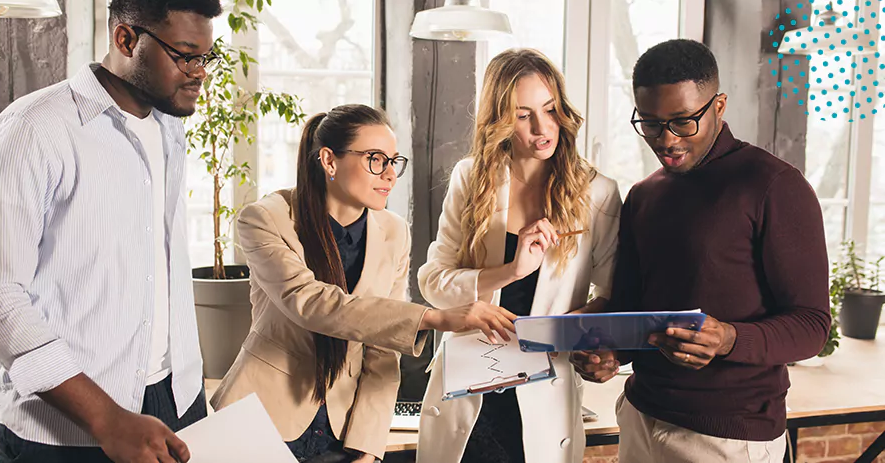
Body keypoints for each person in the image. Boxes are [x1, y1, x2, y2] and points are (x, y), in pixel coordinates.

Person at [0, 0, 225, 462]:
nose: (200, 72)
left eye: (206, 57)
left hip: (174, 402)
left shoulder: (168, 125)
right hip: (65, 430)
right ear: (126, 40)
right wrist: (105, 417)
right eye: (185, 55)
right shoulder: (33, 129)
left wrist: (189, 397)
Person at [209, 104, 517, 463]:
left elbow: (382, 352)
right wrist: (433, 318)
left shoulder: (394, 232)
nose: (389, 174)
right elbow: (310, 303)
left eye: (393, 161)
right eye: (375, 159)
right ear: (329, 161)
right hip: (260, 419)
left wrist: (369, 448)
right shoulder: (266, 218)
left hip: (343, 433)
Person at [577, 39, 831, 463]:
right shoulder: (643, 195)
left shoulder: (774, 186)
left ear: (719, 105)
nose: (667, 140)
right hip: (641, 416)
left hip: (728, 437)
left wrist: (730, 338)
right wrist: (611, 353)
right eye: (652, 124)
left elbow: (812, 326)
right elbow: (635, 307)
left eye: (682, 121)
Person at [415, 48, 623, 463]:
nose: (543, 128)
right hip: (468, 396)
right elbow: (433, 284)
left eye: (550, 109)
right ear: (499, 120)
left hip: (543, 396)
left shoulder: (598, 192)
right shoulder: (470, 179)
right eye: (523, 114)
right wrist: (510, 271)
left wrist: (567, 332)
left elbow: (611, 294)